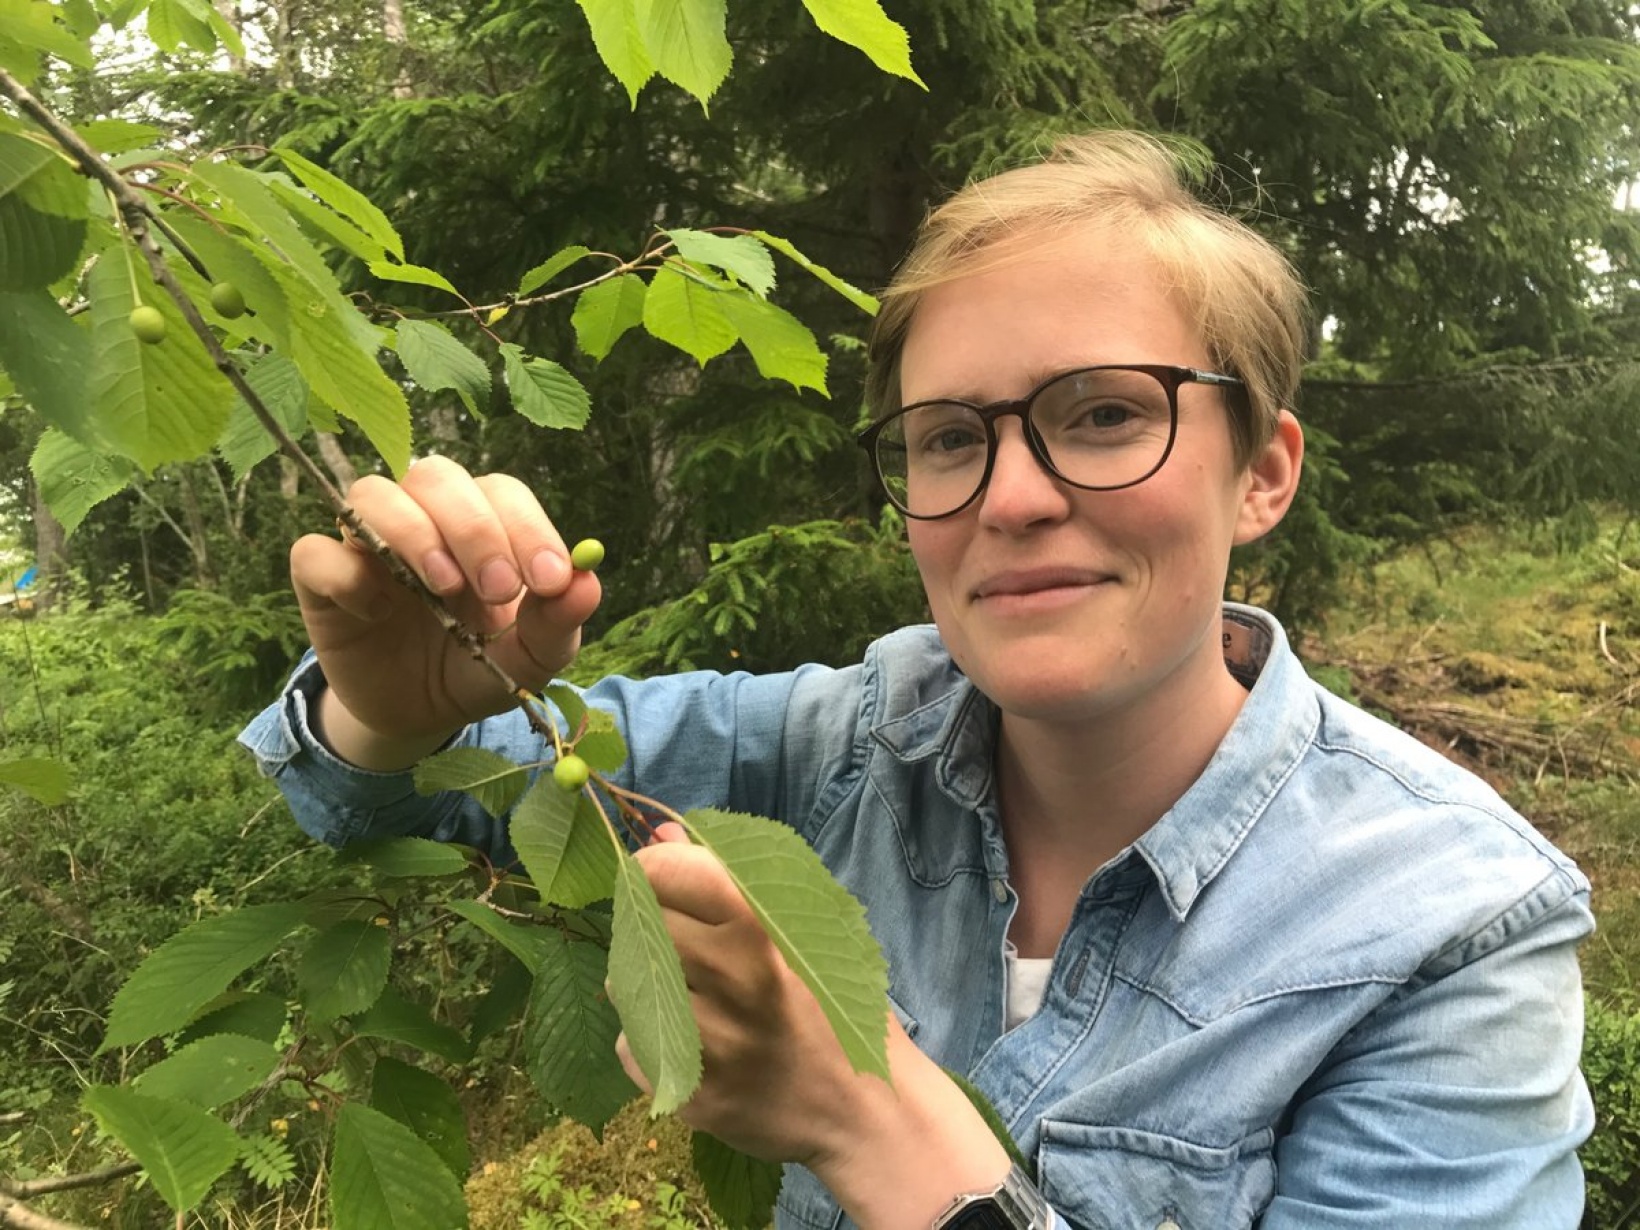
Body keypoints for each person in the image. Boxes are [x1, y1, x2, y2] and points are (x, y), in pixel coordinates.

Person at [240, 130, 1594, 1229]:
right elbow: (404, 793)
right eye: (949, 438)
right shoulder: (843, 742)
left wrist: (867, 1119)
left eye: (1106, 412)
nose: (1009, 497)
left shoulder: (1444, 930)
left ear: (1263, 471)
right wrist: (405, 704)